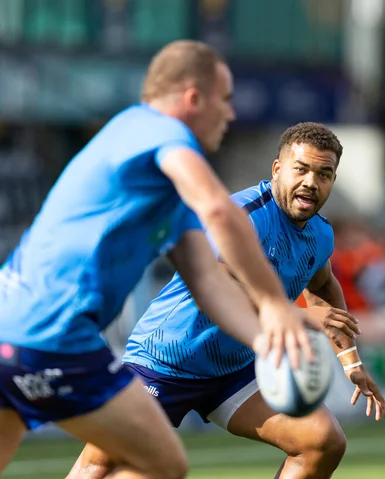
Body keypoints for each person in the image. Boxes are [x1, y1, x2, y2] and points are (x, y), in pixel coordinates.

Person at [0, 41, 317, 479]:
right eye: (224, 100)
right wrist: (276, 303)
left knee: (138, 462)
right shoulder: (155, 130)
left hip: (14, 320)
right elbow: (219, 209)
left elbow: (207, 281)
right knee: (159, 462)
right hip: (51, 332)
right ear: (193, 98)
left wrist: (263, 340)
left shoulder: (161, 184)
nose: (230, 113)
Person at [67, 122, 385, 479]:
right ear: (277, 169)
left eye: (324, 173)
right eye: (301, 169)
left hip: (233, 370)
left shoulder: (320, 233)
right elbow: (216, 288)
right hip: (167, 358)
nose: (311, 182)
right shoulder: (242, 215)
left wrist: (350, 360)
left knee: (323, 441)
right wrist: (299, 317)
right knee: (100, 466)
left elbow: (323, 285)